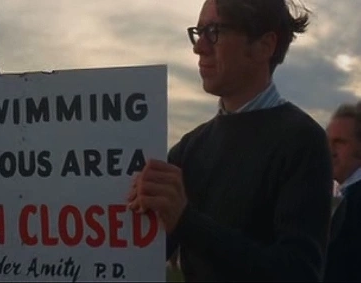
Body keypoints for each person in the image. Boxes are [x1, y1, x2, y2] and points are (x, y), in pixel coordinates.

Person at [127, 0, 333, 281]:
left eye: (214, 31)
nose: (198, 47)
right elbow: (137, 258)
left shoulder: (303, 141)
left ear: (264, 45)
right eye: (198, 32)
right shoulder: (189, 147)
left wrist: (186, 221)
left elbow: (299, 272)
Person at [324, 101, 361, 281]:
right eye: (327, 141)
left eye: (339, 142)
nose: (330, 151)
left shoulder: (355, 203)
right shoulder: (346, 197)